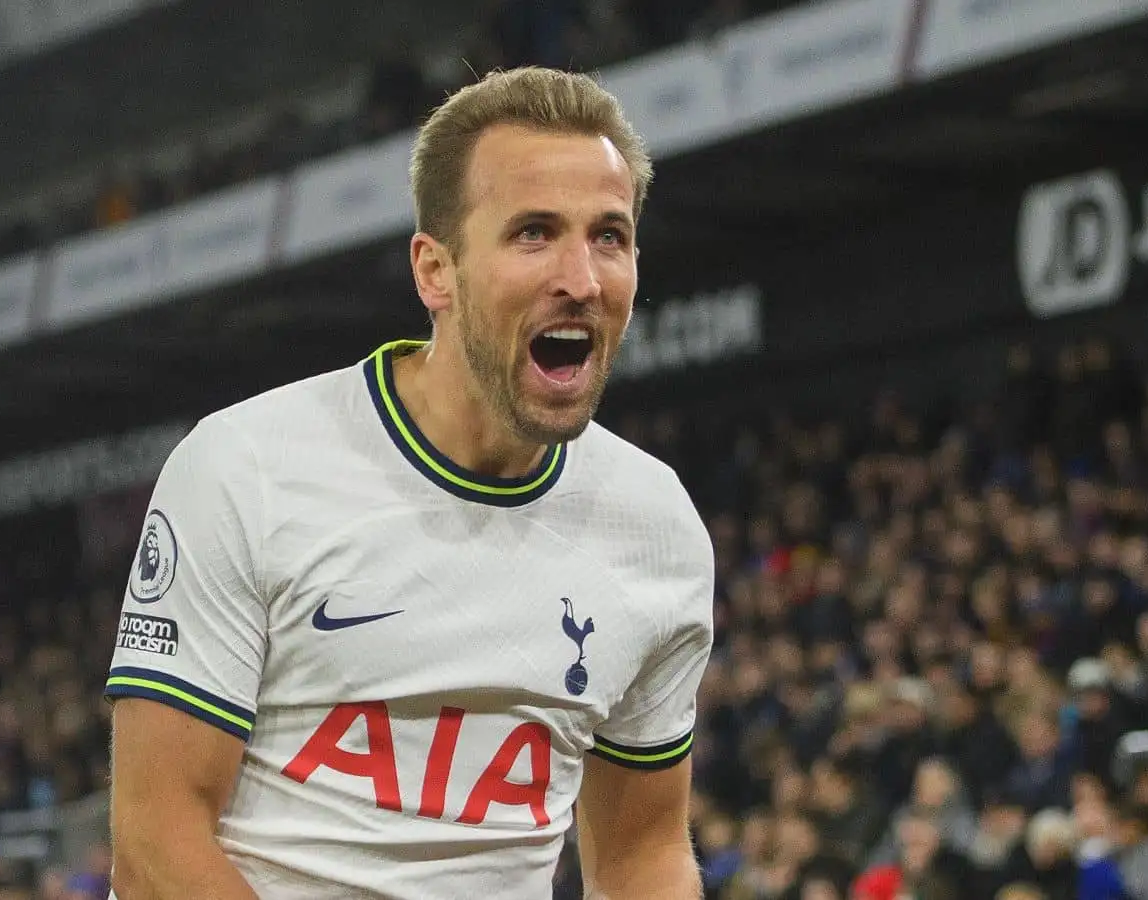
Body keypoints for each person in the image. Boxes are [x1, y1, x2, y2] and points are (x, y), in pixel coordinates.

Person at [103, 67, 714, 898]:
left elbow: (644, 852)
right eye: (533, 233)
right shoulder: (246, 469)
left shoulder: (656, 527)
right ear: (436, 272)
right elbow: (156, 840)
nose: (582, 277)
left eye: (610, 235)